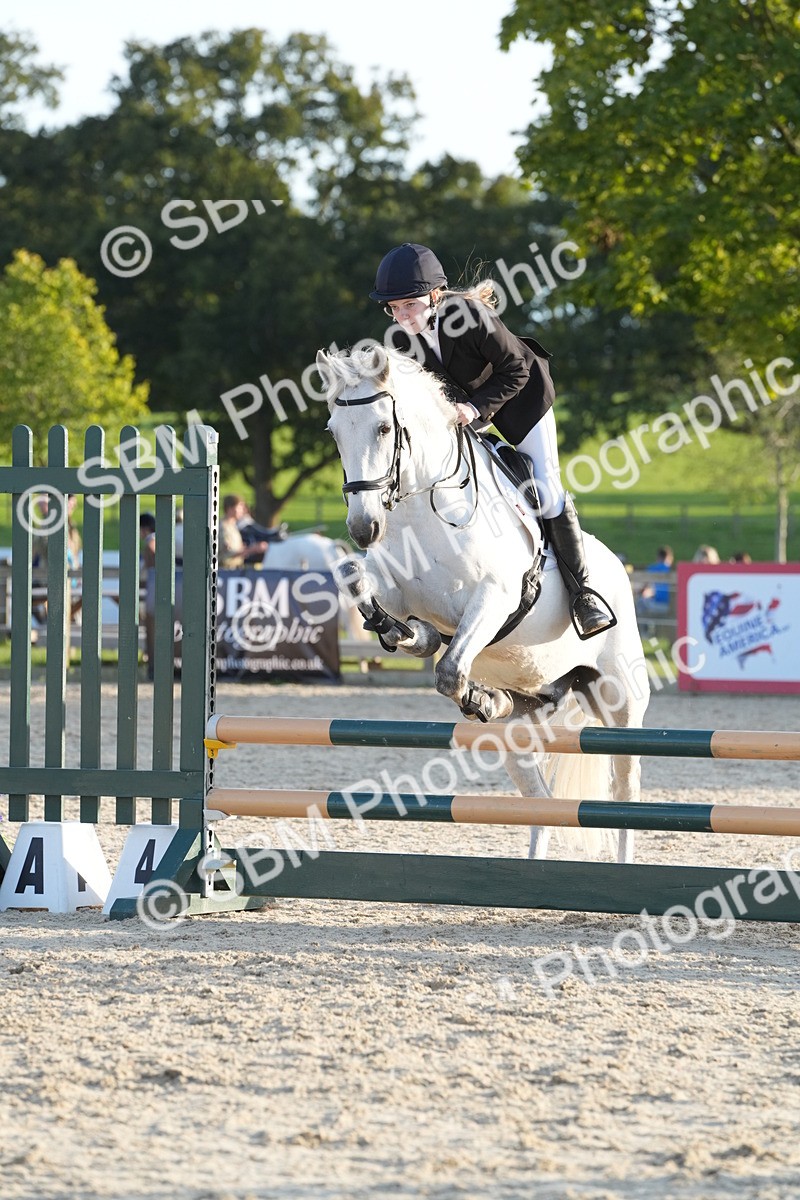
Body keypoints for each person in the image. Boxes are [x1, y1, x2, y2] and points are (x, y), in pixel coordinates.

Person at [369, 242, 612, 637]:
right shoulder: (402, 341)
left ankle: (583, 594)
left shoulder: (466, 315)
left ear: (434, 295)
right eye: (393, 308)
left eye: (408, 305)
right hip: (464, 410)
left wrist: (477, 409)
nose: (401, 316)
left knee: (546, 488)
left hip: (522, 399)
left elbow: (515, 368)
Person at [219, 495, 268, 568]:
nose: (243, 510)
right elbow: (228, 553)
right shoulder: (223, 527)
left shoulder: (233, 526)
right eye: (239, 507)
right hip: (225, 570)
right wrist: (253, 549)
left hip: (234, 569)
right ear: (230, 509)